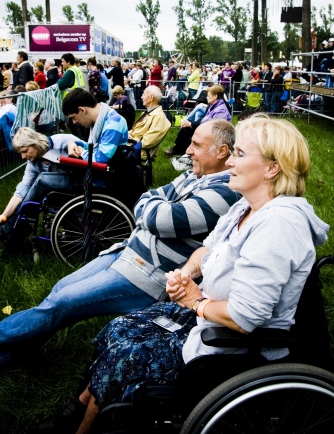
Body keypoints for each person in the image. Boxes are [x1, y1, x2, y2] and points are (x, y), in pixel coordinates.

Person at [36, 115, 329, 434]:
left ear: (273, 168)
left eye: (241, 154)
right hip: (205, 319)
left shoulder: (279, 225)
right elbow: (207, 249)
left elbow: (246, 317)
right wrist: (185, 274)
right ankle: (78, 410)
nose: (230, 160)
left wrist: (196, 300)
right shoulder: (245, 208)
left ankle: (80, 431)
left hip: (233, 345)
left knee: (128, 355)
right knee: (121, 328)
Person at [0, 120, 241, 371]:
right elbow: (146, 198)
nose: (188, 150)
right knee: (60, 289)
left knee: (60, 304)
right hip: (127, 252)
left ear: (221, 152)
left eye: (196, 145)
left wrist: (153, 211)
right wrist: (153, 209)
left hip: (148, 274)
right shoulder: (194, 175)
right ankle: (20, 351)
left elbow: (163, 220)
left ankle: (8, 345)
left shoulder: (226, 192)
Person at [0, 127, 79, 241]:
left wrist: (73, 146)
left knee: (42, 180)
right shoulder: (32, 163)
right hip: (60, 195)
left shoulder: (61, 141)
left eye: (25, 151)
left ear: (35, 143)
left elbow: (86, 149)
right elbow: (23, 188)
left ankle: (7, 230)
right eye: (20, 153)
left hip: (78, 182)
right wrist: (3, 216)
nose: (23, 157)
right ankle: (11, 232)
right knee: (34, 192)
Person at [164, 85, 231, 156]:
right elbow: (206, 119)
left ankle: (182, 150)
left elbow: (215, 126)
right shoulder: (213, 106)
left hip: (214, 135)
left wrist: (191, 124)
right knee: (185, 129)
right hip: (207, 129)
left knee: (189, 133)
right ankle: (178, 149)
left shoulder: (221, 110)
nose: (206, 97)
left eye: (208, 95)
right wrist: (191, 124)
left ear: (215, 96)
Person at [127, 85, 171, 159]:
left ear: (150, 98)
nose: (141, 97)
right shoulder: (149, 112)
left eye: (143, 94)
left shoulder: (158, 116)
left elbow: (148, 141)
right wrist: (126, 134)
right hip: (131, 144)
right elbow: (136, 130)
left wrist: (129, 139)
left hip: (137, 151)